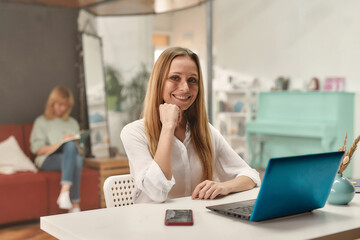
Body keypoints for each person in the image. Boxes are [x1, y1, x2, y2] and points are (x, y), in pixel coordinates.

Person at [120, 47, 261, 203]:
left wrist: (224, 187)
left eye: (192, 80)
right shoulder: (134, 133)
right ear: (159, 81)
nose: (185, 88)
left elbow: (251, 176)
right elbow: (156, 192)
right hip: (151, 223)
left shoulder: (205, 131)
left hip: (197, 222)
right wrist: (168, 126)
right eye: (175, 78)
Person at [30, 86, 83, 213]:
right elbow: (37, 150)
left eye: (66, 106)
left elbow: (80, 150)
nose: (63, 109)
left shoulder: (73, 123)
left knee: (75, 155)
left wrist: (74, 142)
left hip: (70, 157)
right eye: (60, 105)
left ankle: (65, 193)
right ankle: (75, 204)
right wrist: (60, 143)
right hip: (48, 159)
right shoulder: (41, 122)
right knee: (72, 152)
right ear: (52, 103)